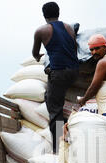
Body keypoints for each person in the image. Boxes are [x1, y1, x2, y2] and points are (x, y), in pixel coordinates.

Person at [32, 1, 79, 153]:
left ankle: (59, 149)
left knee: (55, 111)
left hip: (59, 73)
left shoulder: (41, 31)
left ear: (44, 15)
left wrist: (39, 56)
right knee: (50, 97)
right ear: (58, 12)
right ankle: (67, 129)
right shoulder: (69, 28)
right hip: (74, 71)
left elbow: (35, 53)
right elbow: (73, 48)